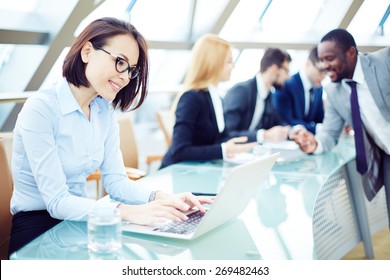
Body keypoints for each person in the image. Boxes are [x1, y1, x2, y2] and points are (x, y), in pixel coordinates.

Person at [8, 17, 212, 257]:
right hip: (38, 231)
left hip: (80, 222)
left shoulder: (103, 111)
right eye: (120, 62)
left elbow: (116, 182)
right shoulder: (41, 109)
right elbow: (56, 202)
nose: (126, 77)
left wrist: (163, 198)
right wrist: (126, 212)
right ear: (87, 51)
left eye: (131, 70)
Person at [290, 28, 390, 225]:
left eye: (330, 58)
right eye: (321, 60)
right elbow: (329, 134)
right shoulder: (333, 91)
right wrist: (314, 144)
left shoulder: (384, 61)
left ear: (351, 53)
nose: (325, 66)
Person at [160, 34, 256, 168]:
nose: (233, 66)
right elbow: (179, 151)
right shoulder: (191, 98)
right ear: (214, 63)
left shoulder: (215, 96)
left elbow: (218, 138)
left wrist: (253, 140)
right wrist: (223, 150)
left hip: (200, 169)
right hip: (178, 173)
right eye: (229, 61)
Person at [223, 48, 292, 143]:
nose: (288, 77)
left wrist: (291, 131)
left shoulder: (268, 96)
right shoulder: (241, 91)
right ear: (274, 69)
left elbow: (277, 122)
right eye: (286, 71)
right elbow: (228, 133)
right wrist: (264, 135)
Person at [273, 46, 325, 134]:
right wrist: (317, 129)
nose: (323, 76)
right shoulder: (286, 84)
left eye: (327, 72)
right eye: (320, 70)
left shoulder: (318, 89)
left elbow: (320, 118)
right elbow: (286, 122)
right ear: (308, 63)